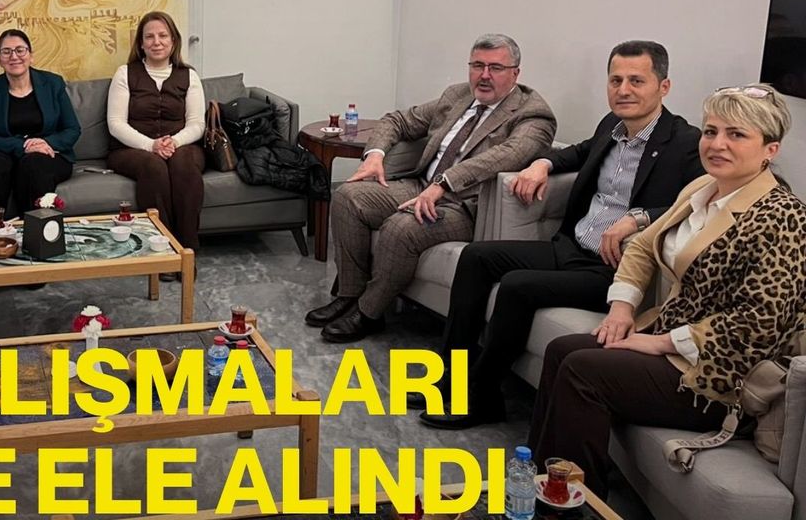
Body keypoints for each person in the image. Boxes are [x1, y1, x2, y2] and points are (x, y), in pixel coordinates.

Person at [528, 84, 806, 497]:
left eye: (736, 134)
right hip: (674, 343)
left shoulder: (783, 216)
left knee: (584, 371)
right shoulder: (702, 189)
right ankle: (543, 484)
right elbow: (642, 245)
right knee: (561, 350)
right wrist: (622, 308)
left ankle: (576, 503)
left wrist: (659, 343)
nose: (717, 144)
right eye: (711, 131)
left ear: (770, 149)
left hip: (721, 375)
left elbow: (756, 326)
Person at [420, 41, 704, 429]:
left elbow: (701, 201)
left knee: (518, 286)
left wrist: (639, 218)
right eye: (616, 80)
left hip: (612, 271)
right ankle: (451, 379)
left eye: (637, 81)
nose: (623, 90)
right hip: (572, 246)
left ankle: (484, 398)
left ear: (663, 87)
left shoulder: (686, 143)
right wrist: (542, 163)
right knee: (477, 256)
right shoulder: (611, 126)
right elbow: (578, 153)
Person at [304, 34, 557, 342]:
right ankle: (349, 295)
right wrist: (375, 155)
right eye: (477, 65)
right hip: (419, 185)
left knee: (402, 227)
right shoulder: (457, 95)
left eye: (495, 68)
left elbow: (507, 154)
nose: (484, 75)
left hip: (464, 206)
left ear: (516, 73)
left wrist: (445, 183)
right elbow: (397, 120)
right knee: (347, 196)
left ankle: (368, 313)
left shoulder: (533, 114)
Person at [107, 11, 206, 252]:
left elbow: (197, 124)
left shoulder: (189, 76)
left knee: (183, 164)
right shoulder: (125, 73)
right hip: (132, 150)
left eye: (163, 35)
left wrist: (174, 142)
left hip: (181, 146)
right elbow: (116, 123)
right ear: (141, 43)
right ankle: (163, 248)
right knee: (153, 165)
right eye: (149, 37)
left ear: (173, 40)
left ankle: (187, 251)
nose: (157, 42)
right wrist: (151, 145)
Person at [0, 29, 80, 222]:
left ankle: (36, 231)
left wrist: (45, 143)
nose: (14, 57)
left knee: (33, 164)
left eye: (20, 50)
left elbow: (72, 129)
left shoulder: (53, 84)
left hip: (47, 156)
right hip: (4, 155)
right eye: (6, 51)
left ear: (31, 55)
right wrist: (23, 146)